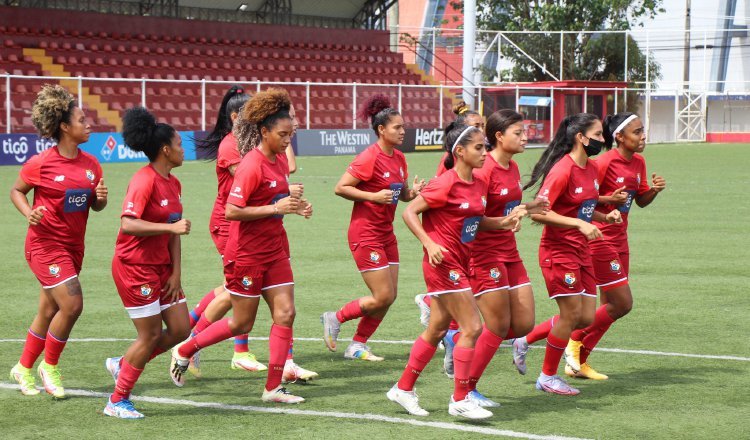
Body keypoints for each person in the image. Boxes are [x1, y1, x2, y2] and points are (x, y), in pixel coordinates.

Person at [170, 88, 313, 404]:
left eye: (291, 134)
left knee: (286, 312)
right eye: (283, 134)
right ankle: (185, 347)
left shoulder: (275, 162)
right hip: (246, 252)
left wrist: (295, 206)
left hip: (274, 249)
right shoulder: (251, 164)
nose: (288, 140)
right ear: (264, 131)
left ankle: (273, 388)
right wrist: (277, 208)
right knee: (241, 321)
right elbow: (233, 211)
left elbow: (275, 198)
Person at [386, 122, 527, 420]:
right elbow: (409, 212)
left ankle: (403, 388)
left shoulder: (478, 183)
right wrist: (429, 243)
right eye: (479, 147)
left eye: (485, 146)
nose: (484, 152)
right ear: (460, 151)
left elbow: (475, 220)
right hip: (443, 264)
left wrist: (504, 222)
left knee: (437, 328)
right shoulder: (445, 183)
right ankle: (461, 398)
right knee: (473, 327)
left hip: (463, 261)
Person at [420, 109, 544, 407]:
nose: (525, 137)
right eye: (518, 132)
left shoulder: (512, 168)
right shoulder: (483, 169)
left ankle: (454, 335)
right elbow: (471, 215)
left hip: (509, 250)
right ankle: (467, 389)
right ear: (498, 136)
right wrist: (502, 221)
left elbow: (501, 207)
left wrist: (527, 207)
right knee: (498, 326)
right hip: (483, 252)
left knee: (523, 325)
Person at [511, 113, 622, 396]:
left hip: (581, 251)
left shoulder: (592, 169)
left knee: (584, 318)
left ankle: (525, 339)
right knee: (570, 314)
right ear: (580, 138)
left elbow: (580, 207)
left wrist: (602, 217)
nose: (602, 140)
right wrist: (580, 224)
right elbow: (542, 213)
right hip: (558, 252)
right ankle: (547, 376)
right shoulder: (562, 170)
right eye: (597, 135)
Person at [9, 84, 107, 398]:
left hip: (73, 247)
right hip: (44, 245)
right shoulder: (41, 163)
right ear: (65, 127)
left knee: (49, 310)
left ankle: (23, 367)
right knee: (73, 303)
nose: (88, 123)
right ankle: (48, 366)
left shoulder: (92, 164)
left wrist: (100, 199)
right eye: (82, 120)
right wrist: (29, 213)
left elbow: (94, 205)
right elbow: (16, 191)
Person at [320, 94, 425, 361]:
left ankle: (357, 344)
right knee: (382, 295)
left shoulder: (399, 158)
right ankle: (336, 317)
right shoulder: (369, 157)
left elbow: (399, 194)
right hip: (365, 233)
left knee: (389, 296)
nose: (403, 131)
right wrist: (372, 196)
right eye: (397, 127)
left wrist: (413, 193)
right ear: (381, 130)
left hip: (385, 233)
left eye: (403, 126)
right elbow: (340, 187)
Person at [102, 107, 191, 419]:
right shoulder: (144, 181)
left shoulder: (174, 183)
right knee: (150, 335)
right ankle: (117, 400)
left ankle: (123, 363)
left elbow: (175, 232)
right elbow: (128, 224)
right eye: (179, 144)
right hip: (134, 266)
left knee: (181, 328)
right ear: (165, 150)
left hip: (162, 268)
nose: (184, 148)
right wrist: (170, 228)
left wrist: (176, 273)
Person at [563, 113, 665, 380]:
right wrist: (609, 199)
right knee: (622, 303)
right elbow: (585, 199)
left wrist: (653, 190)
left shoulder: (639, 162)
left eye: (643, 130)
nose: (643, 136)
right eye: (637, 131)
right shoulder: (604, 162)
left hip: (621, 239)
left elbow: (639, 201)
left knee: (610, 308)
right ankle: (572, 342)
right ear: (619, 137)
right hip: (600, 238)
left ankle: (578, 363)